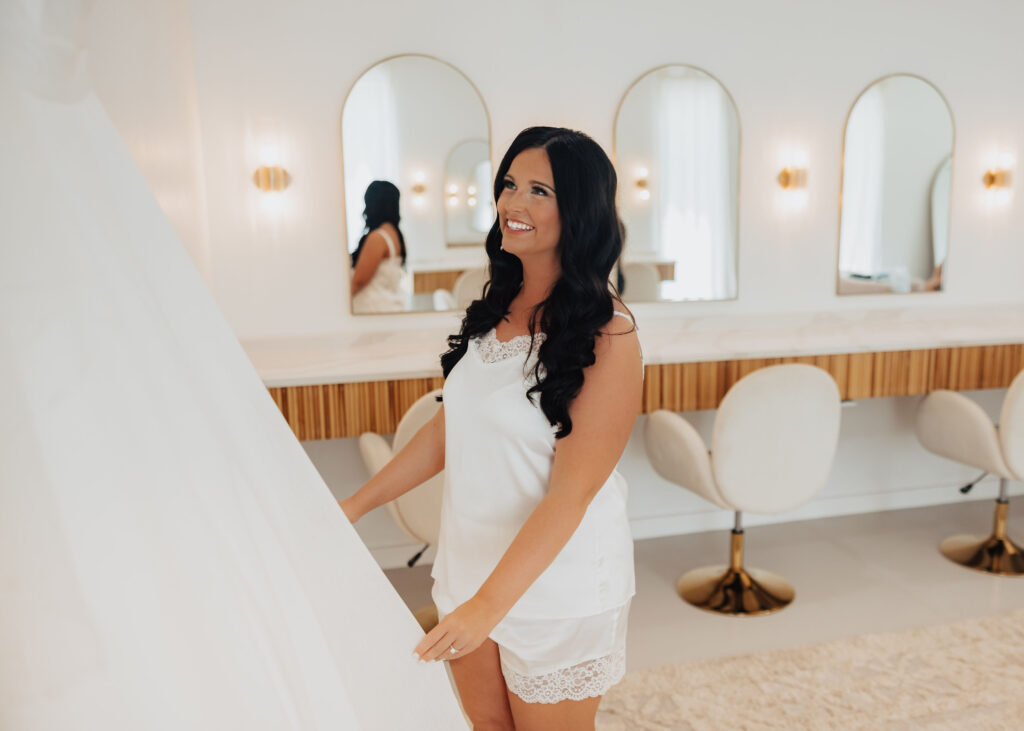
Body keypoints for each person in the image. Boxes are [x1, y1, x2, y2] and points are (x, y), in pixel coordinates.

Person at [341, 127, 642, 730]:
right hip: (470, 568)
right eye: (508, 185)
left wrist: (487, 607)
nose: (513, 203)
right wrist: (352, 506)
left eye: (538, 190)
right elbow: (447, 432)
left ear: (579, 210)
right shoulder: (491, 313)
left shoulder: (608, 331)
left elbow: (573, 493)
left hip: (558, 585)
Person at [350, 180, 410, 313]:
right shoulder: (396, 235)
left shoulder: (377, 237)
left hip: (373, 309)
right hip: (389, 307)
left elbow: (358, 281)